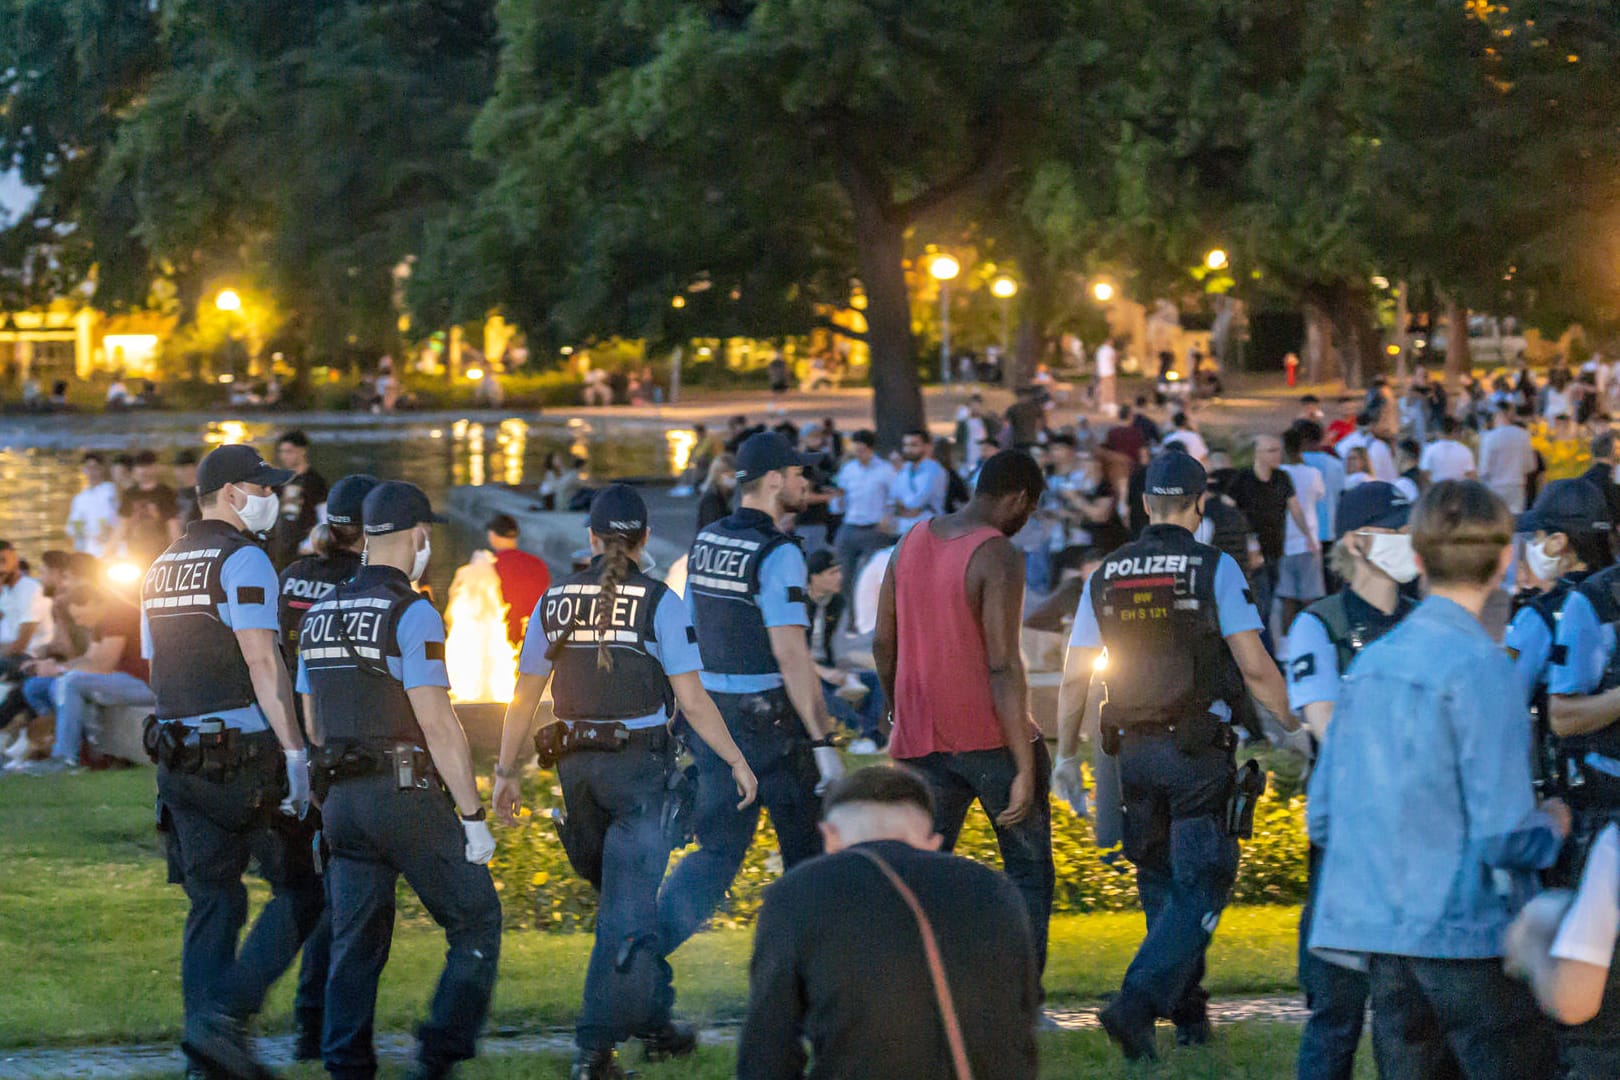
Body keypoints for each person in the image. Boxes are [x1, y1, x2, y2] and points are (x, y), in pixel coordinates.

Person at [492, 485, 759, 1079]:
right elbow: (691, 699)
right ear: (643, 540)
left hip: (575, 773)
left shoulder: (553, 599)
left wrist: (505, 771)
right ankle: (593, 1054)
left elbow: (523, 696)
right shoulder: (660, 601)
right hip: (639, 772)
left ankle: (655, 1023)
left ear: (590, 538)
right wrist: (738, 759)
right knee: (627, 917)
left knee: (623, 906)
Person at [1308, 480, 1568, 1080]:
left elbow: (1323, 814)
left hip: (1385, 939)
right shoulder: (1483, 668)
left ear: (1418, 560)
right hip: (1467, 936)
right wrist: (1550, 827)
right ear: (1506, 559)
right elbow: (1501, 835)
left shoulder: (1369, 665)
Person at [1052, 452, 1296, 1061]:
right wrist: (1295, 725)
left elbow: (1074, 676)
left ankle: (1189, 1015)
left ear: (1142, 505)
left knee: (1160, 884)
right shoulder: (1213, 568)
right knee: (1204, 884)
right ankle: (1135, 1007)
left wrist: (1064, 755)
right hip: (1195, 751)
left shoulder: (1105, 572)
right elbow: (1256, 667)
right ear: (1199, 504)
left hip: (1131, 752)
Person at [298, 481, 500, 1080]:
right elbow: (437, 721)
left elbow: (313, 722)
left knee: (355, 943)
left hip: (341, 801)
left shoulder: (319, 614)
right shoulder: (412, 611)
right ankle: (439, 1054)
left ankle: (345, 1065)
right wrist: (472, 817)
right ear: (417, 536)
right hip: (402, 792)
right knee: (476, 919)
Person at [139, 444, 322, 1079]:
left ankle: (204, 1058)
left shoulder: (159, 565)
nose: (271, 496)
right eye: (261, 486)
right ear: (233, 494)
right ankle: (226, 1021)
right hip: (240, 758)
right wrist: (296, 755)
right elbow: (262, 660)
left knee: (214, 901)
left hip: (176, 758)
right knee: (305, 888)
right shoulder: (243, 557)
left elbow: (159, 662)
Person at [660, 431, 845, 954]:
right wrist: (825, 743)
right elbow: (791, 655)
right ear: (773, 481)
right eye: (799, 474)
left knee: (716, 855)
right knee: (809, 859)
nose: (806, 482)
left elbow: (689, 630)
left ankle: (642, 957)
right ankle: (806, 977)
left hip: (715, 722)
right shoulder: (779, 553)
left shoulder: (708, 539)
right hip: (773, 729)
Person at [737, 766, 1039, 1080]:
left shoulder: (796, 892)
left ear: (830, 838)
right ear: (932, 841)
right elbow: (1023, 1014)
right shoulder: (994, 889)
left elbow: (767, 1048)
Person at [875, 450, 1054, 970]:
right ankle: (1018, 995)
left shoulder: (908, 540)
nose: (1027, 521)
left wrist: (894, 708)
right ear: (1018, 499)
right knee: (1027, 871)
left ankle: (913, 989)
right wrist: (1024, 763)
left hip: (919, 737)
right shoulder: (997, 553)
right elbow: (1003, 665)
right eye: (1031, 510)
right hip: (990, 738)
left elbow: (884, 645)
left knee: (919, 874)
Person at [1284, 482, 1418, 1080]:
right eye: (1398, 530)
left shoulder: (1425, 621)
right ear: (1361, 543)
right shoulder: (1321, 624)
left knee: (1411, 1018)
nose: (1413, 542)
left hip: (1420, 838)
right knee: (1336, 1013)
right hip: (1351, 842)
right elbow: (1329, 728)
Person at [273, 473, 376, 1060]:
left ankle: (309, 1028)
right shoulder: (369, 584)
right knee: (346, 898)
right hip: (347, 749)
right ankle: (327, 1032)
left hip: (294, 745)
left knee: (313, 890)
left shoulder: (291, 576)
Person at [14, 583, 153, 775]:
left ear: (93, 603)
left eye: (80, 616)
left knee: (70, 682)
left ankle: (65, 758)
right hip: (117, 681)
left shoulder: (119, 614)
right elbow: (89, 659)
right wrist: (52, 668)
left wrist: (60, 670)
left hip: (144, 684)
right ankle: (51, 743)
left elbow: (103, 665)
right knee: (35, 687)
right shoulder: (103, 619)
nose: (78, 622)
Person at [1227, 434, 1313, 647]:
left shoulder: (1282, 478)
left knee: (1271, 598)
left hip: (1276, 550)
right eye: (1272, 450)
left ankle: (1264, 646)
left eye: (1278, 449)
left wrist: (1308, 536)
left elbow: (1295, 508)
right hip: (1251, 554)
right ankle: (1264, 649)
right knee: (1261, 603)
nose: (1278, 455)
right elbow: (1228, 508)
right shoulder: (1243, 479)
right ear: (1258, 453)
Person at [831, 430, 897, 601]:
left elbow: (894, 496)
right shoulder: (849, 469)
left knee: (870, 576)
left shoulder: (885, 470)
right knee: (843, 575)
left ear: (870, 449)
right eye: (856, 450)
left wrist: (888, 516)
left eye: (861, 450)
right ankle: (849, 614)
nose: (858, 454)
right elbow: (840, 493)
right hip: (850, 525)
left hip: (873, 529)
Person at [1277, 427, 1327, 634]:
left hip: (1284, 542)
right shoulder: (1313, 473)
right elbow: (1320, 496)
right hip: (1309, 541)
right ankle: (1312, 634)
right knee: (1310, 596)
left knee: (1287, 598)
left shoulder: (1279, 474)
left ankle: (1287, 643)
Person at [484, 514, 551, 647]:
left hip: (501, 640)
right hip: (536, 637)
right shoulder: (538, 564)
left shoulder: (488, 566)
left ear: (492, 535)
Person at [267, 431, 329, 569]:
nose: (284, 456)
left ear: (302, 451)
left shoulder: (315, 481)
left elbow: (324, 516)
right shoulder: (279, 481)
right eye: (282, 452)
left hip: (304, 549)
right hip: (280, 546)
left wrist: (310, 543)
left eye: (289, 451)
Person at [115, 450, 181, 569]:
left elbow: (173, 524)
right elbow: (122, 525)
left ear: (155, 468)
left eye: (147, 466)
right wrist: (108, 553)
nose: (143, 471)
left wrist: (178, 554)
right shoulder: (129, 494)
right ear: (134, 470)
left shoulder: (165, 493)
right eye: (140, 467)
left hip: (160, 554)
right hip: (134, 555)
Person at [1296, 420, 1346, 556]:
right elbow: (1342, 493)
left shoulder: (1295, 465)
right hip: (1330, 529)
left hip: (1302, 532)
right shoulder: (1337, 464)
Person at [1479, 401, 1540, 513]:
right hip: (1517, 485)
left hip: (1495, 486)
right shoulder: (1523, 435)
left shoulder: (1489, 437)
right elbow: (1530, 466)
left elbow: (1484, 469)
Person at [889, 429, 949, 538]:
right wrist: (901, 507)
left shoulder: (934, 470)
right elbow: (893, 497)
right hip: (902, 530)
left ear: (926, 446)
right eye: (906, 445)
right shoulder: (904, 469)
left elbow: (915, 504)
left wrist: (902, 506)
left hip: (927, 531)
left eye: (914, 445)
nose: (908, 449)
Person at [0, 542, 50, 660]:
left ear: (16, 561)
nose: (1, 568)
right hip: (9, 653)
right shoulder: (6, 591)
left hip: (30, 657)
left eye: (3, 561)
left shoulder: (31, 590)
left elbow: (21, 645)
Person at [66, 453, 120, 556]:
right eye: (88, 468)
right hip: (87, 551)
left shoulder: (111, 490)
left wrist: (109, 530)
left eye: (95, 468)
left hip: (111, 549)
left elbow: (119, 517)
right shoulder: (79, 498)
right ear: (84, 470)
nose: (92, 472)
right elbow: (74, 527)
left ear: (102, 469)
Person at [1334, 412, 1397, 482]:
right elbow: (1390, 475)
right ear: (1371, 425)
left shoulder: (1342, 444)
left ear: (1355, 425)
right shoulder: (1381, 447)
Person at [1580, 430, 1620, 531]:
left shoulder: (1585, 477)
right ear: (1614, 451)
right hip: (1609, 533)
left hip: (1590, 530)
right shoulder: (1614, 476)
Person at [696, 454, 737, 530]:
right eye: (731, 476)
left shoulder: (725, 495)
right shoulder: (711, 499)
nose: (734, 479)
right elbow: (712, 527)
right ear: (718, 475)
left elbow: (743, 473)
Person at [171, 450, 201, 532]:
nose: (180, 472)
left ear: (195, 468)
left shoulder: (203, 494)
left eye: (184, 467)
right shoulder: (173, 495)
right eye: (177, 468)